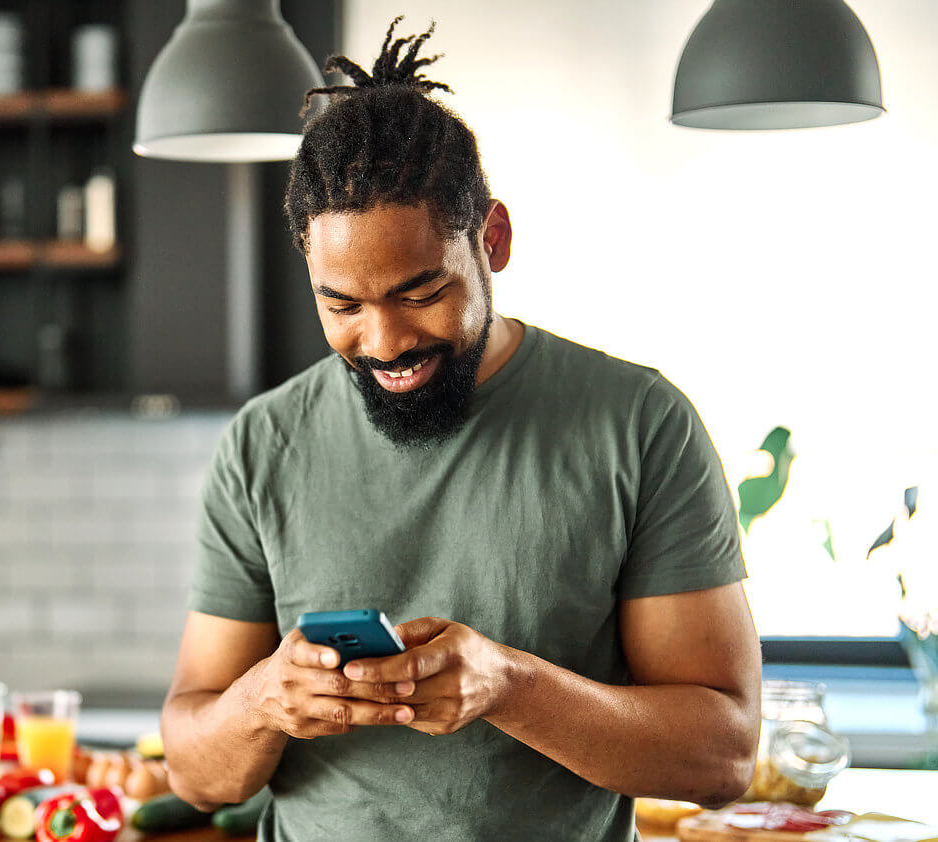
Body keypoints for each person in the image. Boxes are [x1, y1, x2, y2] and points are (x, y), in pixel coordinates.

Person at [160, 17, 761, 842]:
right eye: (342, 305)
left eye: (418, 293)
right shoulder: (262, 446)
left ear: (494, 240)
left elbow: (721, 758)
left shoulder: (640, 424)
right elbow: (196, 773)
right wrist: (264, 701)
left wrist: (509, 686)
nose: (384, 341)